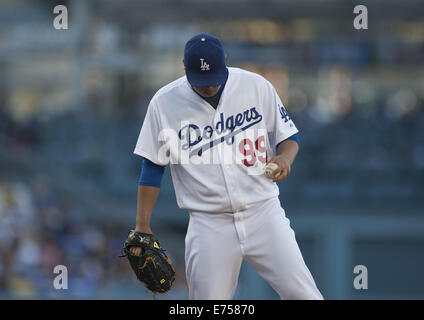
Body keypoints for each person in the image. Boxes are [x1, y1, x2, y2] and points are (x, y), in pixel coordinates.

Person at [130, 33, 323, 300]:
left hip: (264, 213)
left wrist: (285, 158)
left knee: (306, 297)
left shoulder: (256, 86)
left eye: (213, 79)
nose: (208, 87)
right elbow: (152, 165)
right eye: (200, 81)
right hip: (209, 224)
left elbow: (289, 137)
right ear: (185, 69)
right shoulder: (163, 103)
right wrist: (142, 226)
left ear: (225, 62)